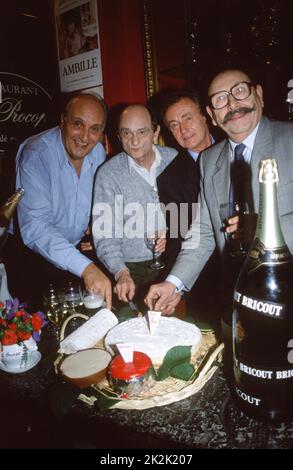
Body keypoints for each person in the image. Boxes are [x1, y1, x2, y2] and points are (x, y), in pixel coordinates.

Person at [145, 67, 293, 328]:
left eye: (239, 91)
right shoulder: (209, 160)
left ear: (258, 94)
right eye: (220, 99)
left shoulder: (289, 139)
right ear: (213, 115)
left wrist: (265, 229)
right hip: (240, 300)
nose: (233, 104)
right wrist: (174, 283)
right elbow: (202, 231)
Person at [4, 92, 112, 310]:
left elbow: (99, 199)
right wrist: (87, 268)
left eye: (95, 129)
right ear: (63, 121)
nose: (85, 136)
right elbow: (35, 228)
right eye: (78, 124)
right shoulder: (36, 154)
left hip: (72, 252)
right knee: (41, 331)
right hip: (31, 255)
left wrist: (96, 226)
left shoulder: (98, 152)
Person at [92, 104, 177, 305]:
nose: (135, 141)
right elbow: (104, 233)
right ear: (119, 136)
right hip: (132, 269)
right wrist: (121, 272)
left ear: (155, 132)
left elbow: (194, 213)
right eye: (127, 133)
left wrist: (174, 233)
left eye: (142, 132)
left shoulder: (175, 159)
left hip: (175, 260)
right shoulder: (108, 174)